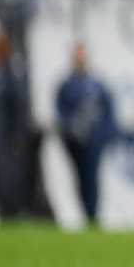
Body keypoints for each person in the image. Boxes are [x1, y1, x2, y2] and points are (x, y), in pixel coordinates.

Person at [55, 43, 116, 226]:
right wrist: (70, 130)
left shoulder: (97, 85)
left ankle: (92, 215)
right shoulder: (66, 86)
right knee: (80, 179)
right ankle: (86, 213)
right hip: (75, 143)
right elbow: (61, 113)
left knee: (92, 179)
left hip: (94, 142)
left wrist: (105, 136)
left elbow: (109, 114)